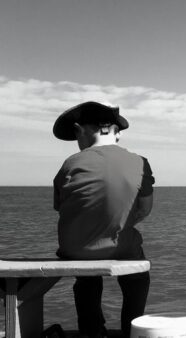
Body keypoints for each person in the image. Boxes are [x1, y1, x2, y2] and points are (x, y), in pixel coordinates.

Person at [52, 101, 155, 337]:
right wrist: (117, 224)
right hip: (121, 247)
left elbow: (63, 208)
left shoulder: (70, 164)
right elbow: (144, 209)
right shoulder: (139, 162)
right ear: (114, 132)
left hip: (75, 249)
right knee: (137, 276)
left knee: (86, 279)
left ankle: (92, 331)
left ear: (79, 130)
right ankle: (132, 328)